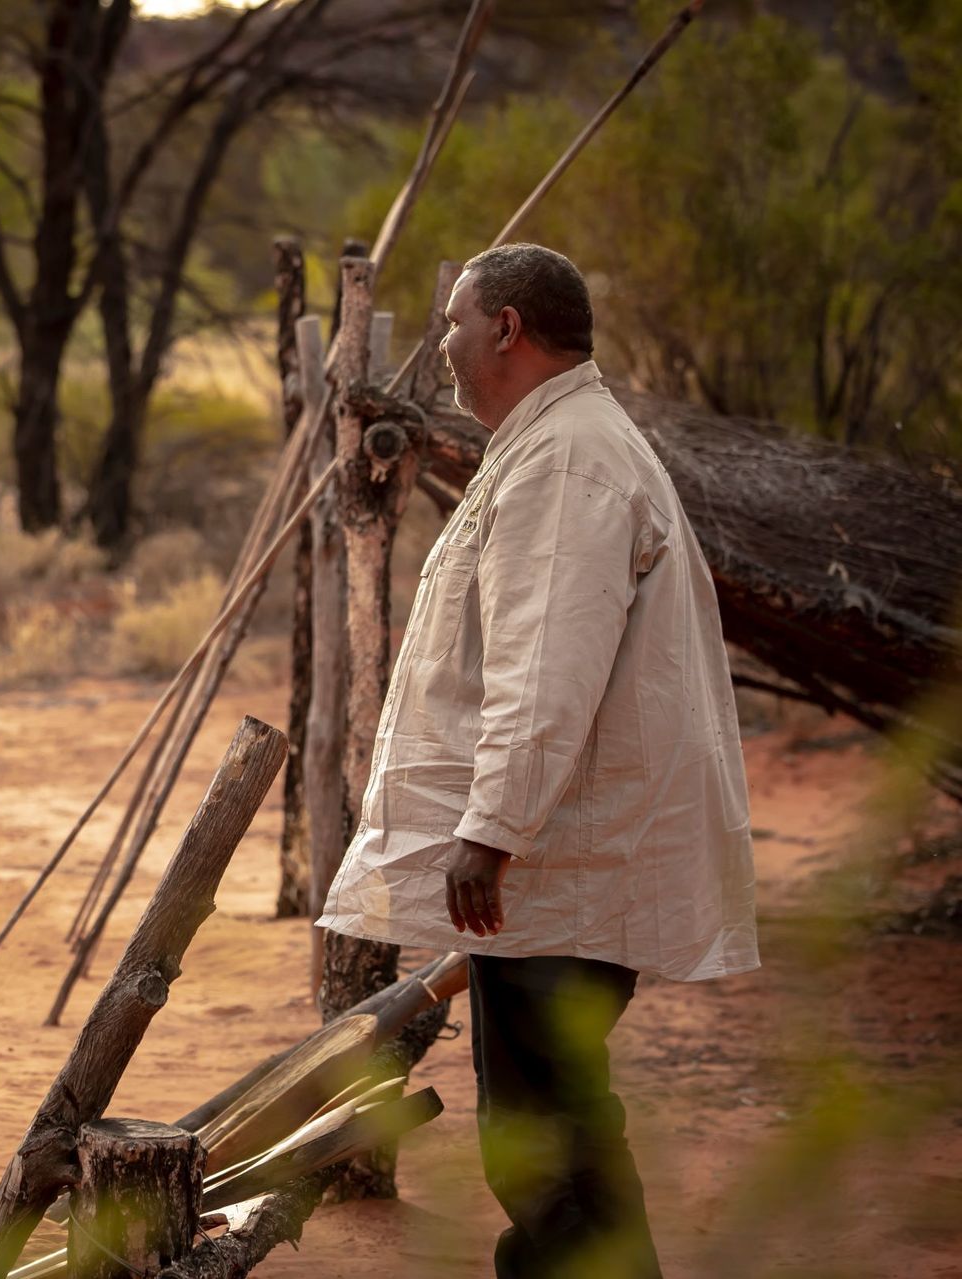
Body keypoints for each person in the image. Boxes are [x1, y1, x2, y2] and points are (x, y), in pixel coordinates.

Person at [317, 243, 758, 1279]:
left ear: (508, 328)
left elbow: (546, 665)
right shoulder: (558, 442)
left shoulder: (569, 459)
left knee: (548, 1125)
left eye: (457, 324)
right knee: (552, 1111)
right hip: (563, 855)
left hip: (559, 854)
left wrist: (491, 829)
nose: (448, 346)